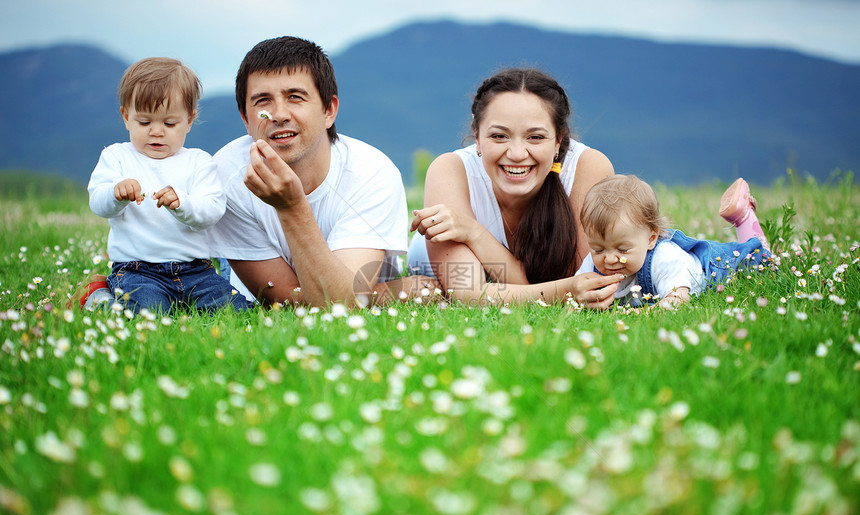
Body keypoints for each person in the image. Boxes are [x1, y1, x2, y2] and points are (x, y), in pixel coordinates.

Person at [208, 36, 415, 308]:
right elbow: (294, 301)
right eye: (263, 101)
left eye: (295, 97)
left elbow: (339, 305)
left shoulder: (372, 173)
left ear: (329, 110)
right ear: (246, 119)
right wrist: (387, 292)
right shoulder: (227, 173)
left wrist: (292, 207)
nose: (279, 114)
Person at [408, 68, 623, 308]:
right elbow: (468, 293)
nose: (517, 154)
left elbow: (587, 281)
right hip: (433, 267)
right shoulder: (451, 170)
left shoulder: (587, 167)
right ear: (477, 137)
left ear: (559, 140)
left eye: (535, 137)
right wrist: (567, 290)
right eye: (499, 136)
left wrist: (474, 232)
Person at [83, 57, 251, 314]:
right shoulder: (117, 157)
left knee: (236, 311)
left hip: (197, 271)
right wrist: (115, 193)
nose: (157, 131)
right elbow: (98, 202)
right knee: (147, 314)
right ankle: (99, 298)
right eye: (144, 122)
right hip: (138, 270)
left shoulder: (198, 162)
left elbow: (212, 210)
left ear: (189, 120)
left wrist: (181, 202)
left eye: (169, 123)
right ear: (126, 117)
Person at [575, 174, 773, 309]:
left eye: (623, 249)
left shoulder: (665, 258)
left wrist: (639, 314)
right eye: (598, 249)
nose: (609, 259)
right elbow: (575, 294)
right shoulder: (593, 264)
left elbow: (678, 301)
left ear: (651, 239)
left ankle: (744, 216)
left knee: (759, 256)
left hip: (719, 268)